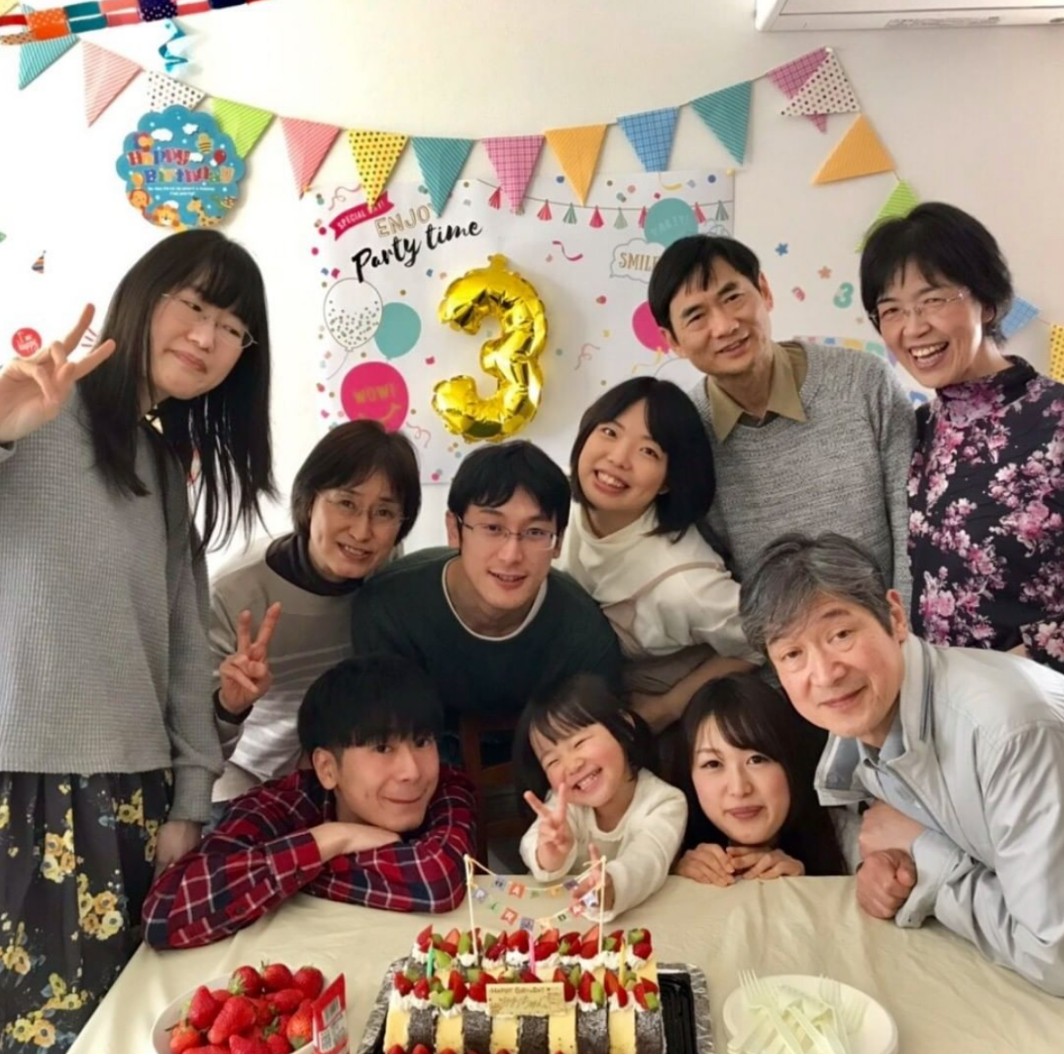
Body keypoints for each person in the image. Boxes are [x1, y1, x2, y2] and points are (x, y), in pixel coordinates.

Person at [0, 230, 275, 1047]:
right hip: (17, 782)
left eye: (234, 327)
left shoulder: (164, 471)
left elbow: (184, 652)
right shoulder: (37, 407)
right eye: (195, 305)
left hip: (126, 801)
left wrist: (189, 802)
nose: (208, 337)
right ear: (143, 297)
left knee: (112, 1031)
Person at [739, 532, 1064, 995]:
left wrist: (923, 854)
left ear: (894, 616)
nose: (825, 674)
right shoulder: (867, 717)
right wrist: (890, 864)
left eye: (841, 635)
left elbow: (1054, 955)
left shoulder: (1007, 732)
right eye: (793, 654)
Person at [648, 234, 915, 602]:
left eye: (733, 297)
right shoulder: (686, 437)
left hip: (893, 625)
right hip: (774, 637)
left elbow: (913, 527)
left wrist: (904, 630)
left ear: (764, 291)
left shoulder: (864, 382)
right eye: (696, 316)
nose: (724, 326)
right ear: (672, 341)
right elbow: (714, 580)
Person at [142, 655, 476, 948]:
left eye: (422, 741)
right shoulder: (281, 802)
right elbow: (165, 912)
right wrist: (329, 838)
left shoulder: (447, 788)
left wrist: (293, 873)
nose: (412, 771)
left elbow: (437, 879)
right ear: (327, 768)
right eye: (382, 748)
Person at [860, 202, 1064, 672]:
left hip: (1039, 702)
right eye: (892, 310)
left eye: (932, 300)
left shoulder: (1055, 419)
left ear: (986, 302)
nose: (914, 327)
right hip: (941, 703)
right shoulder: (915, 432)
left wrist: (1017, 666)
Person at [210, 420, 421, 808]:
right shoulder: (236, 593)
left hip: (345, 773)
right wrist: (230, 704)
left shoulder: (388, 569)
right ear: (309, 500)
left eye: (384, 512)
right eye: (346, 503)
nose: (362, 532)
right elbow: (194, 743)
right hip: (246, 774)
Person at [348, 440, 623, 733]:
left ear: (558, 542)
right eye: (492, 528)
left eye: (535, 532)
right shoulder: (389, 608)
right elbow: (387, 737)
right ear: (454, 529)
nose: (511, 555)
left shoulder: (585, 637)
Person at [558, 378, 761, 732]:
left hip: (640, 719)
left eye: (648, 451)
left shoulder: (685, 582)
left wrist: (667, 707)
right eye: (609, 432)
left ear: (669, 479)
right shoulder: (550, 503)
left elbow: (760, 641)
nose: (618, 458)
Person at [515, 674, 687, 921]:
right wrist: (550, 854)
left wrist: (611, 885)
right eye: (552, 761)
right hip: (566, 930)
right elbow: (533, 841)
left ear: (623, 729)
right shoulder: (565, 804)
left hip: (642, 928)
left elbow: (647, 860)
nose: (571, 765)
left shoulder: (665, 802)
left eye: (579, 742)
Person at [674, 674, 852, 886]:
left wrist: (807, 888)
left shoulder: (854, 841)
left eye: (756, 760)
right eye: (713, 764)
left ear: (791, 762)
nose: (739, 789)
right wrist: (674, 881)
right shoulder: (665, 843)